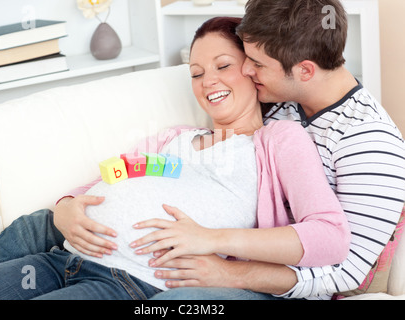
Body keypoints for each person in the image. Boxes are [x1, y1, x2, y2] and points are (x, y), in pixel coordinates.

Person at [0, 17, 350, 300]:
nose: (207, 80)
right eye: (196, 73)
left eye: (222, 66)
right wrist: (66, 209)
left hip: (127, 283)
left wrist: (210, 240)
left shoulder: (277, 140)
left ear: (252, 70)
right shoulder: (172, 139)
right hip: (60, 260)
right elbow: (106, 177)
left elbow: (330, 237)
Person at [149, 0, 405, 300]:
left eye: (257, 64)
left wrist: (227, 273)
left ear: (305, 70)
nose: (246, 69)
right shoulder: (278, 101)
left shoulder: (370, 143)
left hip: (282, 288)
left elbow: (346, 270)